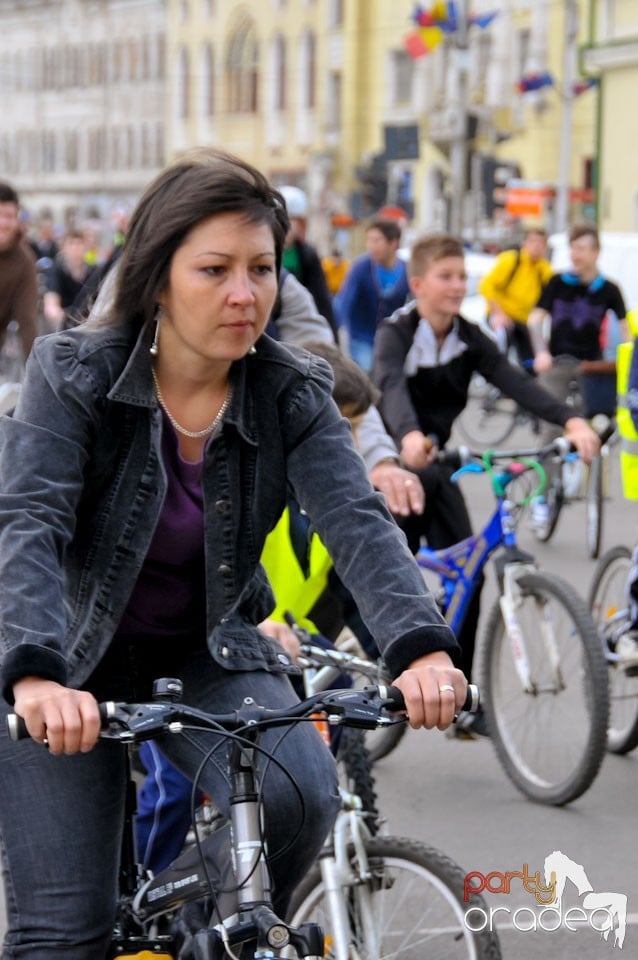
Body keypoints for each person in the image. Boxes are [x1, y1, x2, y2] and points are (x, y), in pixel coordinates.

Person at [0, 148, 465, 958]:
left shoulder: (293, 389)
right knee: (63, 929)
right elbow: (28, 519)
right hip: (66, 656)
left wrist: (420, 649)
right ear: (156, 277)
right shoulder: (72, 370)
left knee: (298, 795)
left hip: (207, 645)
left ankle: (198, 930)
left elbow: (355, 516)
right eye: (215, 269)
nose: (244, 294)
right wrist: (34, 671)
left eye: (262, 268)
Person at [136, 340, 375, 874]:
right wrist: (256, 620)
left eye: (355, 428)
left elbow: (356, 583)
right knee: (175, 785)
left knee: (332, 719)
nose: (349, 442)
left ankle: (281, 867)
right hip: (213, 646)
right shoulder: (249, 481)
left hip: (293, 651)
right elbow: (204, 566)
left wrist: (397, 655)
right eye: (343, 425)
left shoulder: (328, 498)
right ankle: (148, 888)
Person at [371, 233, 600, 689]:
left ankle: (461, 692)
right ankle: (378, 671)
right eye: (445, 277)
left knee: (469, 572)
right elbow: (389, 385)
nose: (457, 286)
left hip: (439, 464)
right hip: (394, 466)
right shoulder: (395, 333)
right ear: (417, 284)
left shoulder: (469, 338)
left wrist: (571, 421)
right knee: (393, 574)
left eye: (461, 277)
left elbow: (516, 381)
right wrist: (408, 434)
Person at [334, 217, 410, 372]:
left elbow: (416, 303)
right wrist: (336, 332)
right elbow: (344, 301)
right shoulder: (360, 267)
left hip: (393, 338)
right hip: (361, 337)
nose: (371, 246)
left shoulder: (407, 270)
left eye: (377, 241)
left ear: (393, 243)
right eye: (369, 240)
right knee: (368, 371)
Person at [478, 227, 553, 365]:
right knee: (502, 345)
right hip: (501, 315)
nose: (536, 246)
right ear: (524, 244)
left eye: (541, 243)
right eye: (533, 241)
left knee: (531, 358)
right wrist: (499, 313)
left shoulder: (544, 269)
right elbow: (486, 286)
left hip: (524, 320)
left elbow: (550, 297)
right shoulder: (511, 260)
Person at [278, 184, 338, 340]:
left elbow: (321, 298)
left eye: (293, 220)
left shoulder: (307, 255)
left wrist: (333, 340)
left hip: (298, 322)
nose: (288, 227)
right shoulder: (265, 252)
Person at [0, 180, 39, 362]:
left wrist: (36, 375)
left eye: (8, 215)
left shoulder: (24, 262)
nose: (2, 222)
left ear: (17, 219)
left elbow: (27, 321)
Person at [43, 228, 97, 330]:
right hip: (65, 324)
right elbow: (51, 305)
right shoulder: (56, 271)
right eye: (71, 243)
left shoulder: (94, 271)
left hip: (90, 324)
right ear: (63, 248)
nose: (76, 248)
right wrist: (63, 318)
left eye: (80, 243)